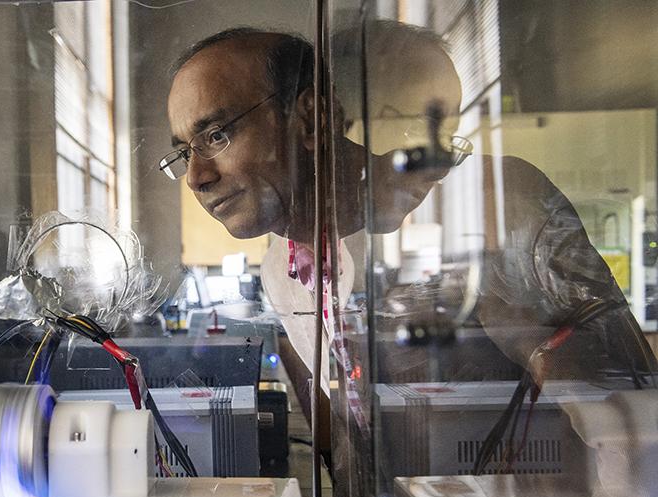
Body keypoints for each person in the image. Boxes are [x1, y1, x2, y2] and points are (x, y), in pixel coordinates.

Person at [162, 23, 656, 393]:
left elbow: (632, 399)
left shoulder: (499, 203)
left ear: (316, 119)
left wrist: (531, 343)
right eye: (187, 150)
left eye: (217, 134)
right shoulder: (282, 272)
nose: (197, 177)